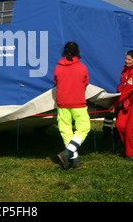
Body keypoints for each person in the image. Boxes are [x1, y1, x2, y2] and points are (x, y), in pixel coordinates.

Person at [54, 42, 90, 170]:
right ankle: (68, 154)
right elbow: (85, 82)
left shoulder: (58, 67)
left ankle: (75, 161)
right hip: (78, 102)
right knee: (84, 128)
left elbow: (56, 81)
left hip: (62, 103)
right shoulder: (82, 67)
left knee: (66, 131)